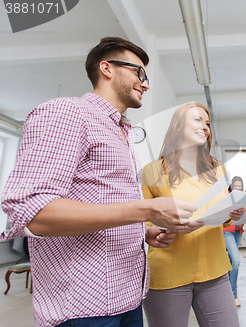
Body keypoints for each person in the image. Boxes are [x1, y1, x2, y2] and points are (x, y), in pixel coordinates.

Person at [0, 37, 206, 327]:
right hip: (83, 308)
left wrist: (142, 232)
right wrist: (146, 210)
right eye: (139, 73)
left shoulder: (121, 131)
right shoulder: (67, 113)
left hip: (127, 297)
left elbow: (102, 204)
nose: (145, 83)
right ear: (107, 68)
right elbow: (34, 213)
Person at [141, 102, 244, 327]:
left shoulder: (218, 169)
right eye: (197, 120)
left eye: (207, 123)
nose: (205, 126)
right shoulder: (153, 171)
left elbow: (221, 211)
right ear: (178, 127)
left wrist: (232, 212)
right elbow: (142, 221)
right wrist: (153, 231)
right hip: (169, 272)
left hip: (215, 269)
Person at [223, 176, 245, 306]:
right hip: (228, 231)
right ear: (231, 186)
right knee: (236, 260)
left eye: (239, 186)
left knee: (231, 260)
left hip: (238, 231)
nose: (237, 188)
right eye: (235, 186)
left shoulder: (243, 197)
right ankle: (234, 294)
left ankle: (226, 292)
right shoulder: (227, 197)